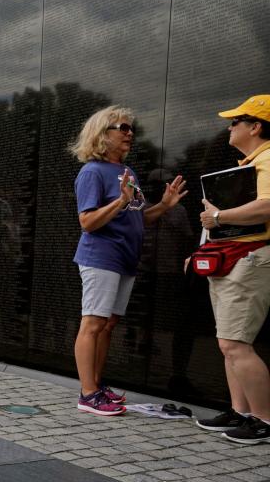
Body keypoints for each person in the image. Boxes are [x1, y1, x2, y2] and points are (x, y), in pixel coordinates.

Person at [69, 106, 187, 416]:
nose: (129, 133)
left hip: (125, 260)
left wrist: (163, 206)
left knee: (108, 325)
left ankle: (96, 384)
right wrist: (120, 201)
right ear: (101, 135)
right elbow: (87, 222)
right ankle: (88, 393)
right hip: (101, 256)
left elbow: (136, 218)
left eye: (130, 128)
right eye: (121, 127)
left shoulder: (128, 172)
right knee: (93, 324)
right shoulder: (91, 172)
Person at [194, 95, 270, 444]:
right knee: (229, 343)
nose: (229, 126)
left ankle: (264, 420)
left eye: (236, 121)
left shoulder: (268, 158)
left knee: (235, 344)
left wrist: (220, 217)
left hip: (250, 260)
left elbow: (267, 206)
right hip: (232, 258)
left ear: (256, 126)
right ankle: (240, 412)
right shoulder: (249, 163)